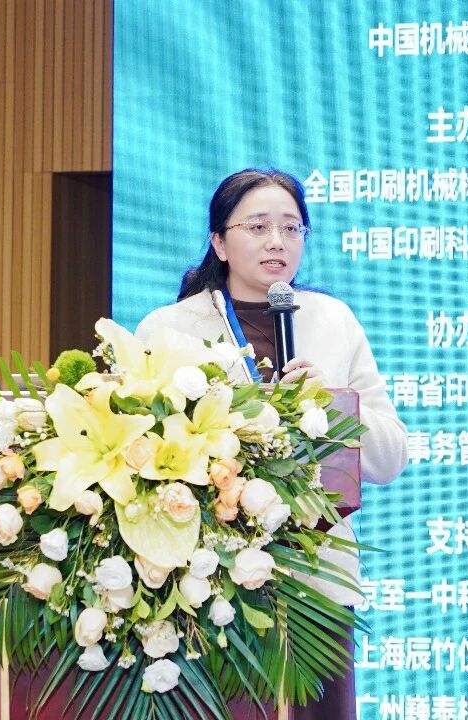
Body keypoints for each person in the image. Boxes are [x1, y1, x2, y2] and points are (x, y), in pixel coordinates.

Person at [135, 168, 407, 719]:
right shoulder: (168, 330)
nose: (277, 241)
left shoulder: (333, 321)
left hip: (315, 584)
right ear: (219, 242)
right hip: (204, 585)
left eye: (291, 228)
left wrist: (333, 407)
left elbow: (389, 458)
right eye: (258, 227)